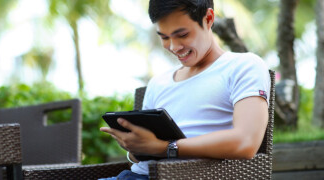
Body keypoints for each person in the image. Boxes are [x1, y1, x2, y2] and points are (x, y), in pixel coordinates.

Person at [100, 0, 270, 179]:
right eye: (164, 37)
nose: (174, 47)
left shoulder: (243, 66)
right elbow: (142, 156)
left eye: (182, 34)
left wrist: (164, 148)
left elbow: (246, 143)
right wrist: (136, 147)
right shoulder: (158, 82)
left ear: (209, 19)